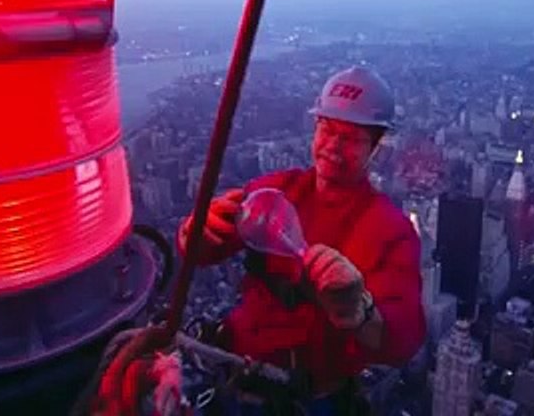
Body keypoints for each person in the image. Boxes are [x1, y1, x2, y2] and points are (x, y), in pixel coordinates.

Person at [177, 65, 426, 414]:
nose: (333, 147)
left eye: (352, 138)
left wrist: (362, 311)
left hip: (308, 399)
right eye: (327, 129)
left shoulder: (390, 231)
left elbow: (404, 337)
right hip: (235, 371)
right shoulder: (278, 190)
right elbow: (204, 249)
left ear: (376, 147)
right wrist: (195, 234)